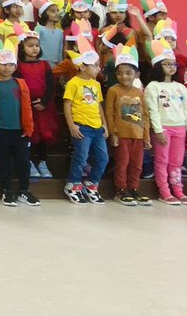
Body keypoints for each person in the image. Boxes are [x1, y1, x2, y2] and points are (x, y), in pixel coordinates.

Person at [0, 39, 38, 207]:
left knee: (23, 161)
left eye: (10, 65)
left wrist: (28, 128)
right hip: (0, 130)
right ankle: (7, 190)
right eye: (3, 64)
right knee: (2, 161)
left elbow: (27, 106)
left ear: (15, 67)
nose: (7, 68)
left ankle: (24, 190)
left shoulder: (20, 84)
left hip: (19, 130)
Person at [145, 38, 187, 206]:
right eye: (167, 64)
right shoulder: (153, 86)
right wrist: (158, 130)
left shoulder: (181, 87)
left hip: (180, 128)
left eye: (173, 64)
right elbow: (152, 109)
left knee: (177, 162)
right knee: (162, 160)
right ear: (159, 66)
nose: (171, 67)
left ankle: (178, 190)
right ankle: (164, 191)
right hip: (164, 129)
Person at [62, 34, 108, 205]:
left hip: (97, 127)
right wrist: (72, 125)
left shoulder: (96, 85)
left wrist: (104, 124)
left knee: (103, 158)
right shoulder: (73, 83)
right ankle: (72, 184)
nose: (98, 68)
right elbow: (67, 104)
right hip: (82, 127)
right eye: (95, 66)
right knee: (81, 157)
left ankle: (92, 183)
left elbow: (98, 105)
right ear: (82, 67)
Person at [104, 44, 151, 206]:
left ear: (136, 74)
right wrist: (113, 133)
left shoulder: (139, 92)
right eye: (120, 73)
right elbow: (109, 113)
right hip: (121, 134)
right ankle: (121, 189)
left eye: (128, 73)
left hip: (137, 135)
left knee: (136, 164)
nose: (124, 76)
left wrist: (146, 135)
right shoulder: (113, 90)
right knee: (122, 163)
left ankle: (134, 188)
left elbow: (145, 114)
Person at [13, 25, 58, 178]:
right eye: (30, 45)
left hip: (43, 107)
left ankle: (42, 162)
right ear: (22, 47)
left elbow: (51, 85)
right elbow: (18, 86)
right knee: (29, 135)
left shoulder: (44, 65)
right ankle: (29, 162)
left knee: (43, 135)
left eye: (37, 46)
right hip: (27, 107)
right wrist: (29, 103)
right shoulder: (19, 66)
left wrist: (44, 102)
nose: (34, 49)